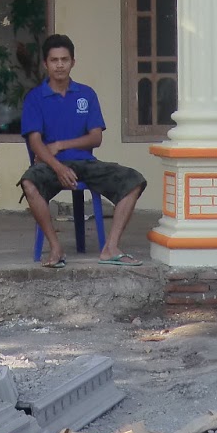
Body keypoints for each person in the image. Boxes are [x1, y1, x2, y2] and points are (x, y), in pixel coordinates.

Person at [18, 33, 147, 268]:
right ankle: (56, 248)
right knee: (28, 183)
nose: (59, 65)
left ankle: (111, 248)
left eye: (64, 59)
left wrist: (60, 145)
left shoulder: (86, 94)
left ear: (73, 62)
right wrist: (58, 167)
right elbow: (35, 142)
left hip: (85, 163)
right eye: (54, 60)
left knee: (134, 180)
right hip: (49, 165)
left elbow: (95, 138)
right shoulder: (35, 98)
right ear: (46, 64)